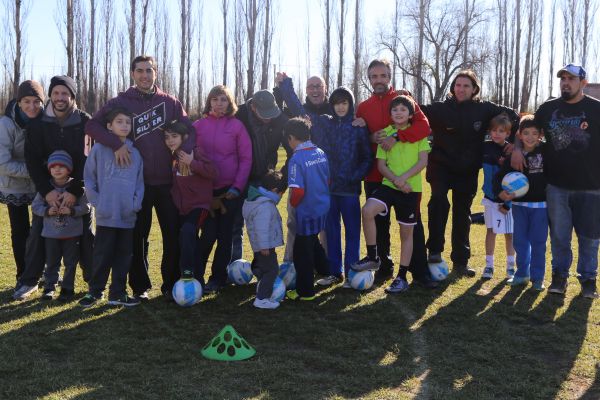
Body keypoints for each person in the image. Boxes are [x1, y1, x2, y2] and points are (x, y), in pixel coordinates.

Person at [86, 55, 192, 301]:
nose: (145, 75)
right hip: (136, 185)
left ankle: (171, 285)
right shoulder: (120, 101)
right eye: (140, 71)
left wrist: (186, 153)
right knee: (137, 239)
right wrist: (115, 144)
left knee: (172, 236)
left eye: (149, 71)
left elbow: (190, 128)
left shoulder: (170, 102)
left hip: (168, 182)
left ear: (156, 73)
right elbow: (92, 126)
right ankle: (140, 287)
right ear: (132, 74)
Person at [418, 70, 518, 276]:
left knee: (462, 212)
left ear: (474, 90)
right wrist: (405, 97)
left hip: (467, 169)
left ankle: (461, 261)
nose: (461, 89)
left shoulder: (485, 109)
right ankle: (434, 251)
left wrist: (514, 145)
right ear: (453, 88)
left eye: (466, 86)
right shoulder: (439, 109)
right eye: (457, 85)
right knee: (438, 201)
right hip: (441, 166)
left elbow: (514, 117)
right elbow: (415, 112)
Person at [513, 64, 599, 298]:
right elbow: (524, 129)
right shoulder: (548, 108)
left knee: (590, 237)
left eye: (571, 78)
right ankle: (560, 277)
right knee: (560, 237)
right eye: (563, 78)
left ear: (583, 82)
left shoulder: (596, 109)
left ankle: (589, 280)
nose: (565, 82)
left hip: (592, 187)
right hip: (557, 187)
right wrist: (517, 149)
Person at [277, 74, 372, 287]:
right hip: (329, 190)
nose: (340, 107)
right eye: (336, 103)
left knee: (353, 233)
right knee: (331, 233)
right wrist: (286, 86)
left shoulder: (358, 127)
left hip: (350, 190)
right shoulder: (325, 123)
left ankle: (351, 273)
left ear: (350, 104)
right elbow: (300, 112)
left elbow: (367, 158)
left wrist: (354, 177)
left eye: (344, 103)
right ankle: (333, 271)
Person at [354, 59, 435, 287]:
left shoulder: (403, 99)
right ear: (368, 79)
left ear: (389, 76)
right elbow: (362, 140)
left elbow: (424, 127)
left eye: (382, 76)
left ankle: (419, 273)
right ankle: (383, 266)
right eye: (373, 76)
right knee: (380, 224)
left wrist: (396, 137)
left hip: (405, 177)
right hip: (376, 173)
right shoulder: (363, 106)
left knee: (412, 225)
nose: (378, 80)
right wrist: (372, 137)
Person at [14, 75, 94, 301]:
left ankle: (92, 281)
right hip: (47, 190)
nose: (60, 98)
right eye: (56, 93)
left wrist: (75, 191)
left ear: (72, 96)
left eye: (65, 93)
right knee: (37, 234)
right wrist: (46, 191)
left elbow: (88, 160)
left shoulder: (85, 122)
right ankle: (30, 281)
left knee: (87, 234)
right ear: (51, 95)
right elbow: (32, 160)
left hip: (79, 190)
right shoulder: (38, 124)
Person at [79, 108, 144, 308]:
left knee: (124, 256)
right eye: (119, 121)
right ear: (109, 126)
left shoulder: (136, 153)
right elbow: (89, 178)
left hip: (127, 216)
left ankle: (118, 292)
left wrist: (135, 204)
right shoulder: (98, 149)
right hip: (106, 214)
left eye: (127, 122)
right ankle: (95, 291)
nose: (124, 125)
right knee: (102, 254)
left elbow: (140, 183)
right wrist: (98, 202)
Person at [194, 85, 252, 293]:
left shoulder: (237, 126)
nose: (219, 103)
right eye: (215, 99)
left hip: (230, 191)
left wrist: (237, 187)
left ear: (230, 103)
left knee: (226, 236)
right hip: (206, 191)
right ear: (209, 101)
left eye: (224, 100)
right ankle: (195, 276)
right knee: (207, 234)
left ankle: (217, 278)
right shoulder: (198, 126)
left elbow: (246, 159)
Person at [231, 89, 290, 262]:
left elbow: (293, 150)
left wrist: (281, 182)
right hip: (238, 178)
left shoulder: (279, 119)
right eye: (265, 114)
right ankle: (235, 265)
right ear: (253, 107)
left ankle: (265, 266)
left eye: (271, 113)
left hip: (263, 179)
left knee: (265, 223)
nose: (269, 118)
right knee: (235, 224)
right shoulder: (238, 114)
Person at [0, 80, 44, 287]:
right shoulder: (6, 124)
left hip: (39, 184)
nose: (32, 106)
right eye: (26, 101)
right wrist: (34, 171)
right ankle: (23, 274)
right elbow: (2, 163)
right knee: (20, 230)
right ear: (18, 102)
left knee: (42, 229)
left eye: (37, 101)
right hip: (14, 184)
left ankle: (42, 271)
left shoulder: (47, 120)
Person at [496, 115, 547, 290]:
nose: (530, 137)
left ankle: (538, 277)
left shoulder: (546, 151)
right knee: (520, 242)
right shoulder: (514, 156)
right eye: (526, 133)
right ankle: (522, 274)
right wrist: (500, 193)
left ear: (540, 134)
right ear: (519, 135)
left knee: (539, 242)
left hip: (541, 206)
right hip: (519, 206)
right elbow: (498, 177)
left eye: (534, 133)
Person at [31, 151, 90, 301]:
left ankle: (67, 288)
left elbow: (86, 207)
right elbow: (35, 206)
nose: (57, 169)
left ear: (69, 169)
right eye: (53, 167)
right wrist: (47, 211)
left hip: (72, 234)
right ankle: (49, 288)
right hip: (51, 234)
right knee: (52, 262)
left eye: (61, 166)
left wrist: (72, 211)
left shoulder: (77, 187)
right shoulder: (46, 188)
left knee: (70, 263)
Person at [163, 120, 217, 283]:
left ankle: (187, 270)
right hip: (182, 208)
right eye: (167, 137)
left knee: (187, 232)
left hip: (199, 206)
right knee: (187, 239)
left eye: (174, 136)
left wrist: (192, 162)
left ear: (185, 137)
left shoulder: (195, 151)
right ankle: (197, 279)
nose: (170, 140)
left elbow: (213, 172)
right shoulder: (173, 157)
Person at [284, 118, 330, 301]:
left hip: (306, 211)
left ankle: (305, 292)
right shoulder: (320, 152)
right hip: (322, 207)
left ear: (291, 138)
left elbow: (298, 191)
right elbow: (328, 181)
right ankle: (327, 271)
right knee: (313, 241)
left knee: (301, 252)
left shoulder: (296, 159)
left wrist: (294, 205)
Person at [242, 169, 285, 309]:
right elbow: (261, 228)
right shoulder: (265, 205)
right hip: (264, 247)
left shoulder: (259, 201)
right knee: (272, 270)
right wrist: (264, 246)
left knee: (263, 268)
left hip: (261, 246)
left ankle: (259, 279)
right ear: (274, 190)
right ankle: (262, 298)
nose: (280, 197)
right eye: (280, 194)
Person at [480, 114, 515, 280]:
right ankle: (489, 266)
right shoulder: (485, 147)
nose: (497, 133)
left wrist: (508, 203)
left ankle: (510, 267)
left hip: (506, 201)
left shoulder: (511, 151)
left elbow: (515, 180)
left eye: (501, 131)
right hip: (489, 198)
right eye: (494, 130)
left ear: (508, 133)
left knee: (510, 234)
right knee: (491, 231)